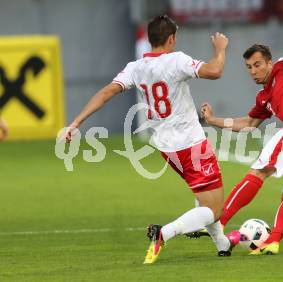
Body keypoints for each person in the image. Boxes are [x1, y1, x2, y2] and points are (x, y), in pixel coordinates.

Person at [65, 15, 232, 264]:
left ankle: (223, 244)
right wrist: (220, 50)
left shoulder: (136, 67)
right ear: (171, 38)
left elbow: (107, 92)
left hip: (167, 147)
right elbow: (215, 71)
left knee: (204, 196)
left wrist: (76, 122)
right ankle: (163, 233)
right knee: (214, 208)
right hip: (191, 143)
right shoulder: (176, 60)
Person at [200, 43, 283, 255]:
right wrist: (212, 120)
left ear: (269, 62)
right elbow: (248, 124)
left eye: (258, 65)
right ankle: (273, 242)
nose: (254, 71)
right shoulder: (263, 98)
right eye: (249, 67)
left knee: (258, 171)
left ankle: (219, 221)